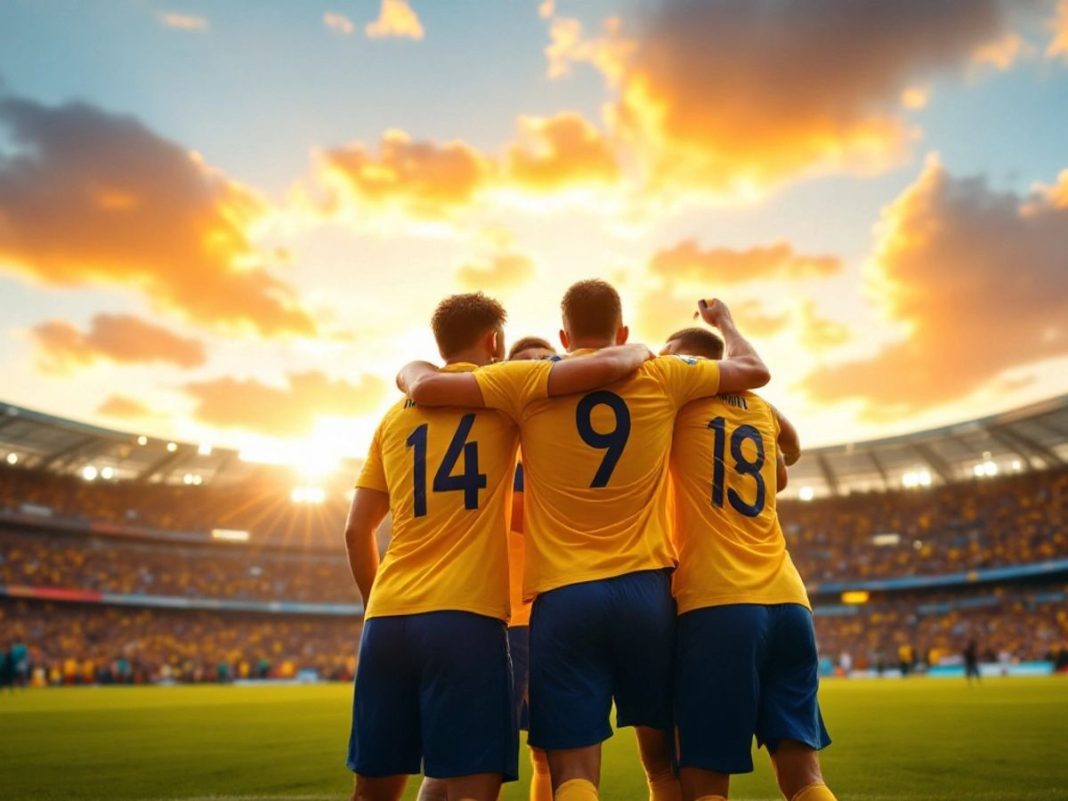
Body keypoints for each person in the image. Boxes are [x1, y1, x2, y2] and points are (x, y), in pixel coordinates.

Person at [398, 281, 770, 801]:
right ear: (621, 330)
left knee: (571, 772)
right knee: (663, 765)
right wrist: (724, 325)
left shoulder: (525, 381)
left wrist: (411, 368)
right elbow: (754, 373)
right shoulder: (662, 373)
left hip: (565, 595)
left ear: (563, 335)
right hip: (647, 592)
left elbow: (429, 389)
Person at [344, 291, 653, 801]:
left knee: (375, 789)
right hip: (465, 615)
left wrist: (373, 609)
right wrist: (640, 351)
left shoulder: (393, 417)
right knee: (470, 785)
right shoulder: (508, 388)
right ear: (494, 341)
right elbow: (595, 374)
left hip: (387, 616)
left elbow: (357, 530)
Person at [662, 325, 836, 801]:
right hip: (789, 603)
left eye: (669, 355)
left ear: (691, 364)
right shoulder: (759, 410)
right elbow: (787, 460)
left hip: (718, 603)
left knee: (705, 777)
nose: (661, 361)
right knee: (805, 776)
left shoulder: (675, 405)